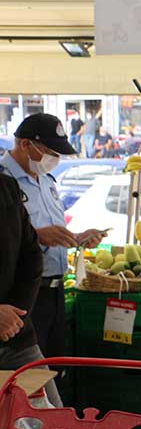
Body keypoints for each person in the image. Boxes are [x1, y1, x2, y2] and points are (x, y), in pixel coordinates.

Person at [0, 114, 106, 369]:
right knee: (26, 381)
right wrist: (38, 235)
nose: (53, 159)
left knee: (54, 369)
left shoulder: (46, 181)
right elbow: (16, 240)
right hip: (20, 300)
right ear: (25, 145)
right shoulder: (5, 183)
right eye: (49, 151)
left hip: (54, 289)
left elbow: (48, 235)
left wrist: (76, 238)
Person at [0, 173, 63, 408]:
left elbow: (31, 255)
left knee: (55, 426)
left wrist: (15, 316)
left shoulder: (6, 187)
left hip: (18, 338)